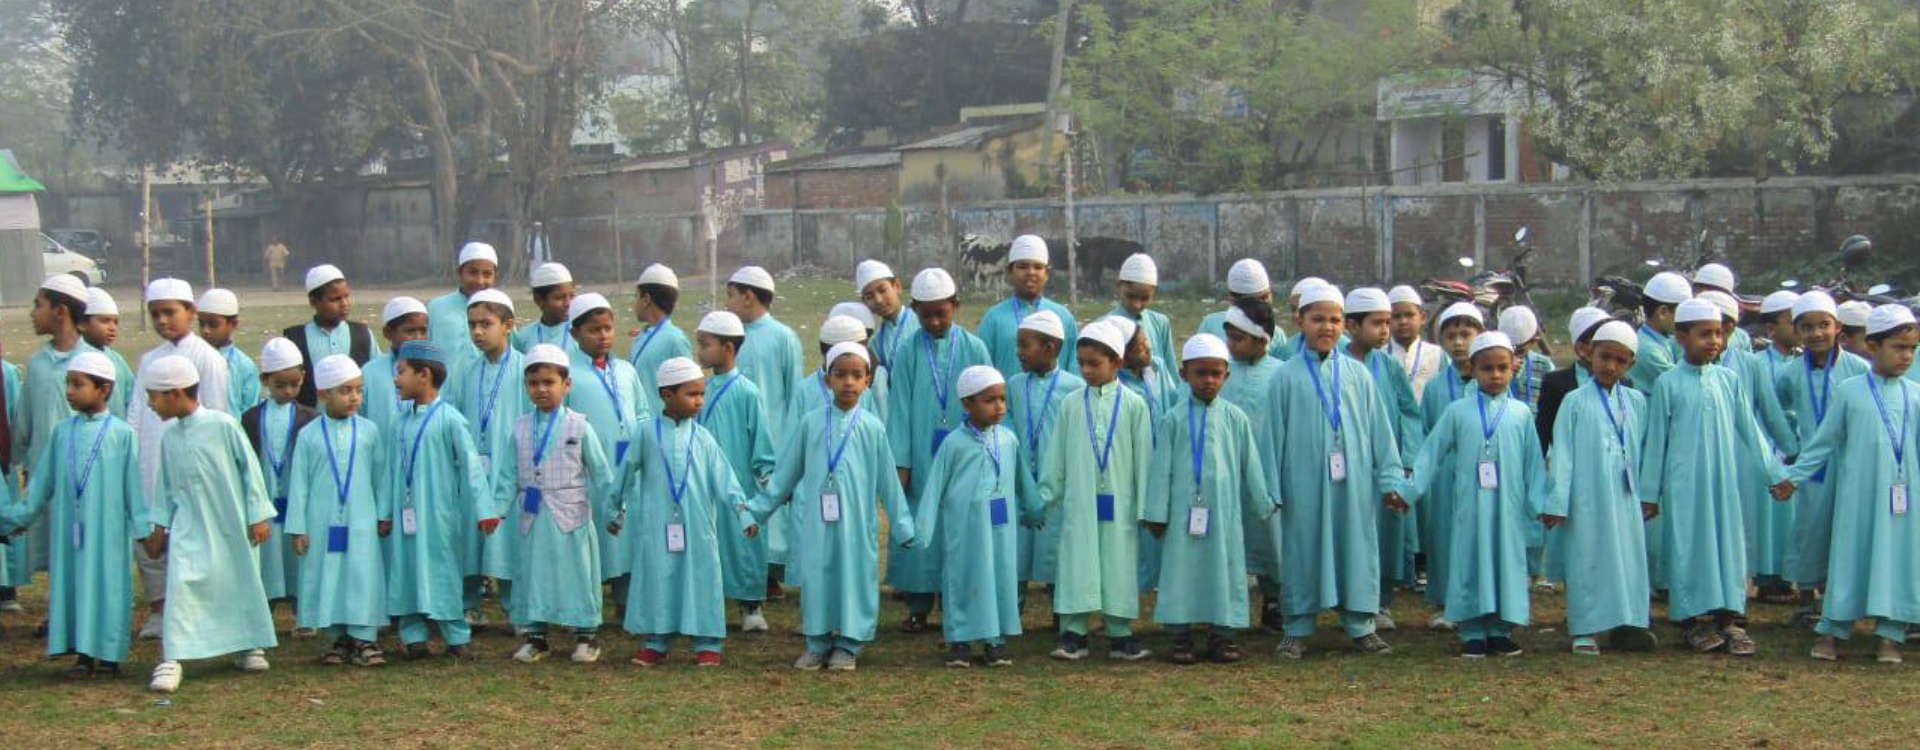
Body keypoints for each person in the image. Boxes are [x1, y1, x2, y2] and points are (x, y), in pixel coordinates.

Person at [747, 342, 916, 672]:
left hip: (857, 524)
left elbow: (889, 483)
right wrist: (756, 512)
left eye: (856, 375)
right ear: (827, 380)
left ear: (867, 381)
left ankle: (849, 644)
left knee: (855, 577)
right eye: (840, 375)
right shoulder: (810, 423)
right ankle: (818, 642)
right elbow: (784, 475)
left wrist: (903, 525)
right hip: (817, 522)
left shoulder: (872, 427)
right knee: (818, 577)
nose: (848, 382)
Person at [1261, 284, 1406, 658]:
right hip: (1303, 485)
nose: (1326, 327)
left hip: (1353, 485)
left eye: (1334, 319)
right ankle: (1296, 628)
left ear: (1344, 324)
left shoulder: (1359, 375)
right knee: (1301, 550)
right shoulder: (1284, 376)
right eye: (1317, 319)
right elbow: (1271, 437)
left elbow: (1380, 431)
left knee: (1356, 546)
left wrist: (1391, 479)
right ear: (1300, 322)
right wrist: (1269, 491)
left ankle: (1362, 625)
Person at [1639, 299, 1785, 656]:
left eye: (1718, 334)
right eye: (1705, 334)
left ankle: (1729, 618)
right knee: (1689, 546)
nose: (1714, 341)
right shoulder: (1668, 383)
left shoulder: (1728, 380)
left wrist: (1773, 473)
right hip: (1684, 484)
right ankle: (1691, 620)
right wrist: (1649, 494)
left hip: (1723, 481)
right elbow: (1656, 441)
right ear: (1682, 338)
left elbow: (1750, 429)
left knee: (1726, 545)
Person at [1778, 305, 1920, 664]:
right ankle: (1833, 630)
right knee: (1849, 557)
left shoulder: (1915, 394)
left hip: (1903, 500)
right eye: (1898, 347)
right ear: (1872, 346)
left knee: (1898, 559)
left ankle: (1890, 634)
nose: (1906, 356)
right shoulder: (1849, 391)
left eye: (1912, 349)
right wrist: (1792, 477)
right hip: (1857, 496)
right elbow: (1822, 443)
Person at [1404, 332, 1547, 658]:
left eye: (1502, 368)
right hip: (1469, 507)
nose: (1495, 375)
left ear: (1512, 368)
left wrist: (1541, 505)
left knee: (1505, 562)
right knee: (1469, 561)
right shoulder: (1458, 411)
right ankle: (1471, 630)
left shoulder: (1521, 413)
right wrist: (1408, 490)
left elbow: (1533, 465)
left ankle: (1500, 630)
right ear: (1473, 369)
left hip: (1508, 509)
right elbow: (1431, 453)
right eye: (1487, 368)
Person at [140, 355, 276, 693]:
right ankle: (172, 658)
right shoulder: (170, 437)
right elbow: (165, 487)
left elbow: (250, 470)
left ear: (175, 393)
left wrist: (258, 514)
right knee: (181, 586)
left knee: (237, 582)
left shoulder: (224, 425)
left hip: (230, 524)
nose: (150, 404)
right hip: (188, 528)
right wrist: (159, 527)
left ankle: (248, 645)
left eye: (153, 396)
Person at [0, 352, 141, 676]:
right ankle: (83, 655)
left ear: (104, 389)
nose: (70, 392)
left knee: (108, 585)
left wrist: (144, 528)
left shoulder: (122, 434)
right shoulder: (62, 432)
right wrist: (15, 519)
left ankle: (109, 655)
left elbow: (133, 488)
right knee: (75, 585)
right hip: (69, 529)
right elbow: (41, 484)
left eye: (78, 385)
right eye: (68, 384)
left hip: (107, 531)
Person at [1144, 335, 1273, 665]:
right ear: (1184, 374)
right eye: (1201, 373)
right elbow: (1161, 470)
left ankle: (1223, 634)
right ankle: (1180, 635)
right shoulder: (1173, 419)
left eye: (1216, 374)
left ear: (1227, 376)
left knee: (1225, 569)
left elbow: (1251, 465)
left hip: (1224, 513)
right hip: (1182, 513)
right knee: (1181, 571)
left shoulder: (1235, 418)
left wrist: (1264, 504)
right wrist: (1156, 513)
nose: (1209, 380)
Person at [617, 357, 751, 668]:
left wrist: (744, 513)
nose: (699, 401)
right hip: (657, 522)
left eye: (702, 393)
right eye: (692, 394)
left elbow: (726, 479)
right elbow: (625, 472)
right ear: (667, 395)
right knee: (658, 576)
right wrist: (615, 510)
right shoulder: (646, 433)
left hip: (698, 524)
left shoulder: (703, 437)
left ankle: (707, 642)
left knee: (701, 577)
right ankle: (656, 641)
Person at [1039, 320, 1154, 662]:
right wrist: (1046, 498)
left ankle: (1120, 632)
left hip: (1121, 501)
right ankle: (1074, 632)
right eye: (1082, 363)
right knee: (1078, 559)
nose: (1086, 370)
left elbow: (1144, 459)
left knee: (1119, 562)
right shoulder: (1071, 404)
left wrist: (1145, 508)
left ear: (1116, 362)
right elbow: (1056, 457)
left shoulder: (1134, 404)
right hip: (1080, 501)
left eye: (1094, 363)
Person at [1541, 321, 1658, 655]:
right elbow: (1562, 453)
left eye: (1620, 361)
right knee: (1587, 557)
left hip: (1625, 496)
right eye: (1605, 357)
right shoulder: (1574, 401)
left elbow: (1645, 450)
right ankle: (1585, 628)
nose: (1611, 366)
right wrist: (1558, 501)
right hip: (1586, 498)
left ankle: (1630, 624)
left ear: (1631, 364)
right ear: (1590, 354)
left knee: (1628, 557)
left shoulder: (1636, 401)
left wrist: (1649, 494)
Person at [495, 345, 617, 664]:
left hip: (571, 516)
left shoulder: (580, 425)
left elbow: (602, 474)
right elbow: (507, 475)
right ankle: (536, 636)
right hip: (533, 517)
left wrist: (614, 510)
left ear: (567, 384)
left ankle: (586, 635)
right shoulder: (520, 427)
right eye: (534, 383)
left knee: (578, 573)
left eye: (549, 382)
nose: (541, 389)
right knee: (534, 574)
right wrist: (496, 511)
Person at [910, 365, 1039, 668]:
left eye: (1003, 399)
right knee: (963, 576)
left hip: (1001, 528)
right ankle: (960, 640)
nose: (999, 407)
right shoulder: (953, 443)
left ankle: (995, 640)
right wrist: (922, 529)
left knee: (1000, 576)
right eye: (990, 400)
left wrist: (1034, 508)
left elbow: (1022, 479)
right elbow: (934, 487)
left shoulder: (1008, 439)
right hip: (965, 530)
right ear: (967, 404)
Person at [887, 267, 993, 631]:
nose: (934, 322)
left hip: (966, 454)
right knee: (922, 523)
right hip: (921, 457)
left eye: (941, 314)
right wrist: (901, 464)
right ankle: (918, 605)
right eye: (926, 315)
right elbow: (899, 410)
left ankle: (957, 602)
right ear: (915, 310)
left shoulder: (975, 348)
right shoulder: (908, 352)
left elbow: (990, 402)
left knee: (961, 524)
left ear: (955, 306)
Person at [129, 278, 233, 641]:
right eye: (155, 314)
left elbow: (218, 414)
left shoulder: (209, 359)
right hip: (152, 459)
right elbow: (136, 414)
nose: (162, 320)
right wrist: (136, 458)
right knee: (151, 536)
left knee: (194, 537)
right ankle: (159, 610)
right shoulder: (149, 360)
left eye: (169, 312)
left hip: (193, 465)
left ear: (191, 312)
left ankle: (200, 610)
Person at [385, 341, 495, 660]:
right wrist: (384, 512)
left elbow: (473, 468)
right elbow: (388, 472)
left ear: (424, 375)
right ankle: (413, 637)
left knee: (443, 571)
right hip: (404, 515)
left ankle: (456, 636)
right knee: (406, 571)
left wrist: (485, 510)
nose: (396, 379)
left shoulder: (450, 419)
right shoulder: (399, 421)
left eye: (401, 372)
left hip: (439, 515)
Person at [285, 355, 390, 667]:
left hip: (362, 520)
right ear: (323, 394)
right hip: (321, 521)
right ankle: (337, 638)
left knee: (362, 574)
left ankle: (365, 638)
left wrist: (383, 514)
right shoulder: (309, 435)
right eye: (345, 391)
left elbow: (381, 477)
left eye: (358, 390)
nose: (354, 397)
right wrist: (298, 527)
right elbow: (299, 484)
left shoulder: (369, 431)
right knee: (327, 574)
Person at [1774, 291, 1869, 627]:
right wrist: (1792, 445)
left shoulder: (1858, 368)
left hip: (1848, 463)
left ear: (1838, 327)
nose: (1816, 333)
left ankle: (1837, 598)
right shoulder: (1789, 373)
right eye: (1807, 327)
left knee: (1844, 527)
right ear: (1797, 331)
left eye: (1823, 325)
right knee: (1809, 529)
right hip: (1811, 467)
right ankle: (1804, 599)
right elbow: (1779, 409)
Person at [1698, 291, 1798, 600]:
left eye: (1719, 329)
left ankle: (1749, 581)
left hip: (1743, 454)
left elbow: (1769, 411)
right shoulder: (1687, 364)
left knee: (1746, 518)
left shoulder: (1749, 363)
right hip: (1702, 451)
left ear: (1730, 328)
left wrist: (1791, 450)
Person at [692, 310, 777, 633]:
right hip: (704, 482)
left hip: (740, 483)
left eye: (705, 345)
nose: (700, 351)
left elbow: (761, 441)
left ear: (727, 348)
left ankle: (750, 604)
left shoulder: (747, 391)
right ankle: (708, 603)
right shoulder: (700, 389)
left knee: (743, 542)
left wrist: (766, 477)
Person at [1345, 288, 1425, 628]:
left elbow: (1409, 413)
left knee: (1386, 533)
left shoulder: (1389, 367)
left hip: (1385, 465)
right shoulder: (1337, 364)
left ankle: (1381, 602)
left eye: (1387, 322)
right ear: (1352, 326)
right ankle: (1352, 601)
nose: (1385, 330)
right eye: (1377, 323)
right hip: (1349, 465)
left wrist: (1407, 460)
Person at [446, 288, 527, 625]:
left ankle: (516, 607)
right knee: (469, 534)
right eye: (472, 325)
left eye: (486, 324)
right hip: (473, 469)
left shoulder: (525, 369)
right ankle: (470, 603)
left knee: (508, 538)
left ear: (508, 325)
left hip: (510, 468)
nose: (477, 332)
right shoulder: (466, 370)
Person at [565, 293, 645, 616]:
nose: (603, 336)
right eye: (593, 330)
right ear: (575, 333)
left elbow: (642, 412)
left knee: (628, 532)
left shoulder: (626, 370)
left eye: (607, 328)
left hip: (627, 464)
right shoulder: (568, 374)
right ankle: (587, 603)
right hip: (587, 470)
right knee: (594, 532)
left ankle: (626, 600)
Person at [13, 274, 91, 603]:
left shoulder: (95, 363)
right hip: (46, 474)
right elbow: (24, 423)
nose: (32, 313)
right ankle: (60, 613)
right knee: (57, 543)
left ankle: (83, 612)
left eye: (38, 305)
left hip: (86, 475)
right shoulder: (38, 364)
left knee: (84, 543)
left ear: (60, 311)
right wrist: (17, 462)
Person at [1216, 301, 1286, 630]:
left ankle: (1275, 600)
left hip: (1268, 472)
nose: (1231, 344)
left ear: (1261, 339)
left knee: (1271, 538)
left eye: (1238, 338)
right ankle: (1225, 607)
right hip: (1226, 473)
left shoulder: (1281, 374)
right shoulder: (1220, 373)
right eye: (1229, 337)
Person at [1007, 310, 1082, 613]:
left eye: (1025, 345)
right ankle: (1011, 613)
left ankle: (1062, 613)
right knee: (1016, 552)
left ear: (1050, 348)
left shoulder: (1075, 388)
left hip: (1059, 486)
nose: (1019, 352)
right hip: (1019, 481)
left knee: (1057, 550)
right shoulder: (1013, 385)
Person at [1416, 301, 1483, 630]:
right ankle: (1445, 602)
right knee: (1444, 533)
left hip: (1481, 470)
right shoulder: (1435, 386)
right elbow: (1427, 431)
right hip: (1444, 473)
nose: (1458, 343)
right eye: (1451, 336)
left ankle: (1480, 598)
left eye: (1465, 335)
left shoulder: (1491, 380)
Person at [241, 338, 315, 615]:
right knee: (268, 556)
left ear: (303, 377)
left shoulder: (309, 417)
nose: (288, 391)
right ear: (265, 381)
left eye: (294, 384)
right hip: (266, 498)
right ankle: (265, 610)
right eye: (280, 385)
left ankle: (302, 612)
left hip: (296, 498)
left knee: (298, 554)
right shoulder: (250, 418)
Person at [1109, 313, 1180, 592]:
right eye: (1139, 347)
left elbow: (1173, 400)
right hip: (1132, 466)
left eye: (1146, 340)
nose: (1148, 348)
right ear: (1121, 356)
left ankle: (1162, 577)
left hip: (1161, 461)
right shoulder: (1117, 385)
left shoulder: (1156, 369)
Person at [978, 235, 1078, 378]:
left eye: (1038, 267)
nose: (1031, 272)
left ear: (1047, 274)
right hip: (1009, 393)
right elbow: (982, 371)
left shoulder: (1064, 317)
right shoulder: (993, 318)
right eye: (1023, 267)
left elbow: (1075, 369)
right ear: (1009, 272)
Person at [728, 266, 803, 448]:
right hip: (734, 441)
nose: (727, 303)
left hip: (772, 444)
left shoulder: (784, 337)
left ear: (748, 297)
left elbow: (795, 396)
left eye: (731, 295)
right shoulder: (729, 337)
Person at [284, 265, 377, 408]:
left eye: (346, 296)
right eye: (335, 299)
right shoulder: (295, 339)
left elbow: (376, 378)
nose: (344, 303)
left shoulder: (362, 334)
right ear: (313, 302)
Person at [1533, 307, 1612, 454]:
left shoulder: (1623, 384)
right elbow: (1543, 433)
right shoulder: (1555, 383)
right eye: (1600, 343)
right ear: (1581, 348)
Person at [628, 263, 693, 417]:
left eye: (636, 296)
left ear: (646, 299)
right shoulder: (640, 338)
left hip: (664, 427)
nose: (634, 302)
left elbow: (690, 389)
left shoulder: (675, 339)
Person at [363, 297, 431, 433]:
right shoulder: (369, 373)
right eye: (410, 331)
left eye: (423, 331)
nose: (418, 338)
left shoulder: (436, 369)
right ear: (388, 333)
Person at [1197, 259, 1286, 361]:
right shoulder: (1210, 326)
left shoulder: (1277, 334)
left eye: (1264, 297)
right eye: (1253, 302)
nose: (1261, 305)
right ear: (1232, 302)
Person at [427, 242, 499, 357]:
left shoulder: (500, 308)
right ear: (460, 273)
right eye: (473, 273)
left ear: (495, 276)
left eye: (487, 274)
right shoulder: (436, 308)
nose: (480, 281)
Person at [197, 288, 261, 415]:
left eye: (213, 325)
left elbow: (250, 410)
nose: (206, 330)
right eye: (201, 324)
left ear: (234, 324)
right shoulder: (193, 358)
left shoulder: (244, 365)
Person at [1110, 253, 1176, 373]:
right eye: (1131, 296)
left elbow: (1170, 370)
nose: (1137, 305)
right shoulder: (1106, 325)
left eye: (1144, 298)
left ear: (1154, 292)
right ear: (1118, 285)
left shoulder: (1160, 323)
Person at [1629, 271, 1691, 393]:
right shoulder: (1649, 351)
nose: (1686, 320)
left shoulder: (1660, 338)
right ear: (1663, 312)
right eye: (1682, 314)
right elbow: (1684, 382)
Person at [79, 287, 135, 418]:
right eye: (105, 321)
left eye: (115, 322)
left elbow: (132, 399)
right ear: (82, 323)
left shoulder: (117, 360)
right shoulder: (75, 358)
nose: (112, 328)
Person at [856, 259, 919, 372]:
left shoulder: (922, 323)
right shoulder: (875, 343)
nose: (878, 300)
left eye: (882, 290)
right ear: (865, 302)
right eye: (870, 297)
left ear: (897, 286)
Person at [1388, 285, 1445, 401]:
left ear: (1423, 318)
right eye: (1396, 316)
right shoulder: (1378, 356)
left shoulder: (1438, 355)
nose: (1403, 321)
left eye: (1409, 315)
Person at [512, 262, 579, 356]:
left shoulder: (581, 334)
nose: (568, 303)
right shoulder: (523, 337)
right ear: (539, 300)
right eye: (560, 298)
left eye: (572, 296)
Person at [1497, 307, 1555, 411]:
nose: (1514, 356)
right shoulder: (1492, 365)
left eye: (1519, 351)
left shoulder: (1544, 365)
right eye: (1509, 350)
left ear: (1533, 341)